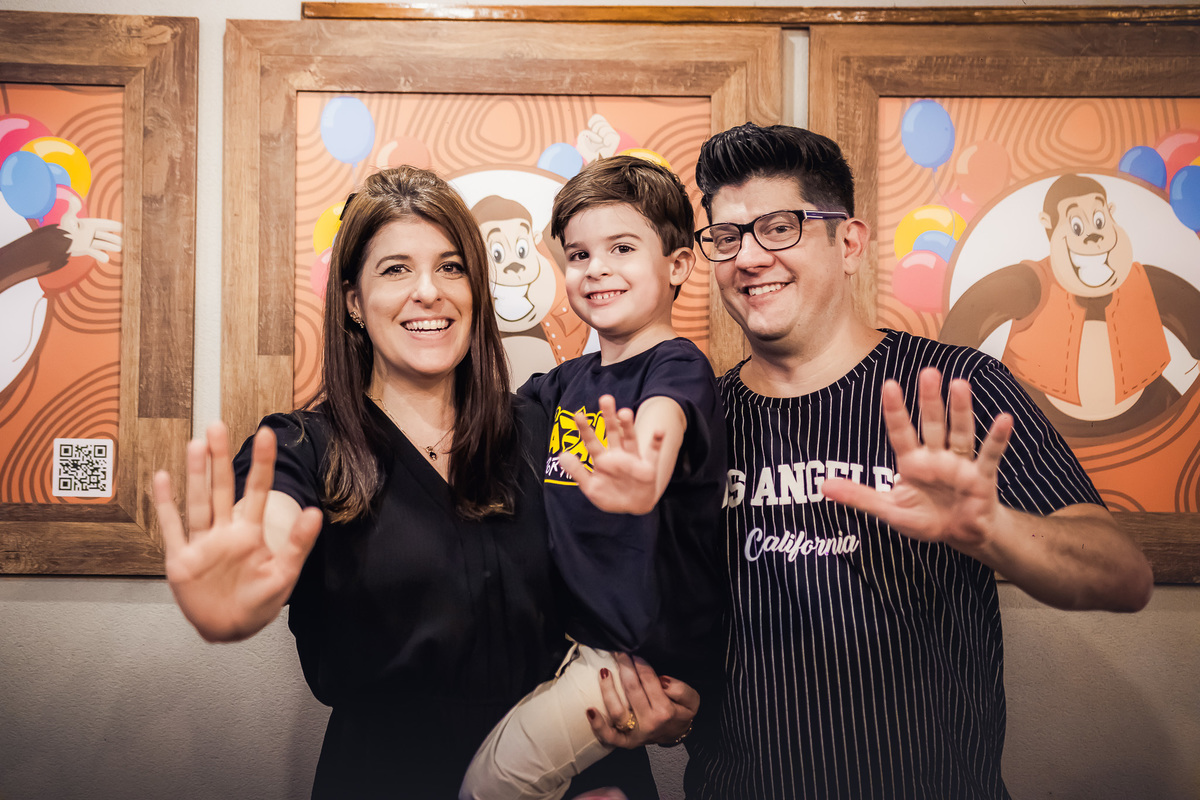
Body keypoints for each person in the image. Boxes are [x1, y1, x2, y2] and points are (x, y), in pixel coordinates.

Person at [152, 166, 678, 799]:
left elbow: (638, 575)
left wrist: (668, 704)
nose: (428, 291)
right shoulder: (302, 448)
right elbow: (269, 520)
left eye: (451, 267)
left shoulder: (548, 424)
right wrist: (246, 575)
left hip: (579, 779)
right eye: (396, 269)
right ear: (353, 300)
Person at [673, 123, 1155, 799]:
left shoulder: (958, 385)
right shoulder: (694, 419)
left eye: (780, 228)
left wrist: (992, 529)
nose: (748, 257)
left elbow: (1124, 578)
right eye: (727, 237)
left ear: (849, 243)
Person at [460, 155, 726, 800]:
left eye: (622, 248)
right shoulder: (562, 385)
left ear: (678, 266)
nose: (596, 268)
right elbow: (482, 418)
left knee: (493, 784)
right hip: (571, 638)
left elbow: (665, 418)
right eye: (578, 254)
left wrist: (646, 468)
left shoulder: (677, 365)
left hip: (632, 657)